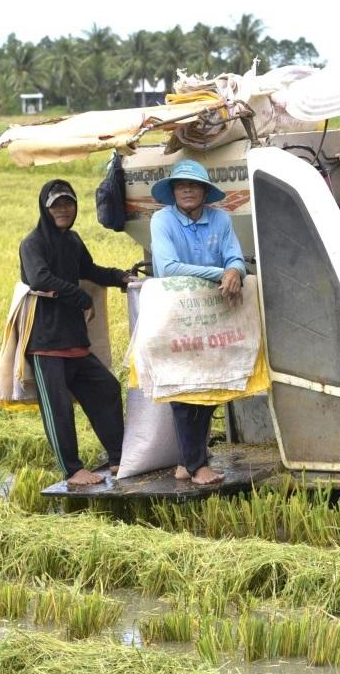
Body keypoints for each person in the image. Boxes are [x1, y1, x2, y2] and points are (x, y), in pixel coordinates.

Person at [18, 179, 130, 487]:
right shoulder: (32, 244)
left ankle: (119, 457)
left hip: (74, 341)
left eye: (68, 203)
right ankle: (72, 471)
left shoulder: (73, 241)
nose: (63, 210)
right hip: (46, 343)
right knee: (58, 409)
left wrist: (120, 277)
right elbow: (40, 279)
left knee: (106, 388)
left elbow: (89, 271)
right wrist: (81, 297)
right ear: (45, 208)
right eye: (56, 205)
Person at [149, 159, 246, 486]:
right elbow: (168, 268)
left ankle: (187, 461)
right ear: (173, 191)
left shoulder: (220, 219)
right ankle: (197, 466)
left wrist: (236, 270)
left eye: (193, 185)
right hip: (176, 316)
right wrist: (223, 274)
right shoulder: (162, 220)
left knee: (207, 384)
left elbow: (235, 256)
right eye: (181, 185)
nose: (187, 190)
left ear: (205, 191)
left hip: (211, 317)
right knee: (183, 386)